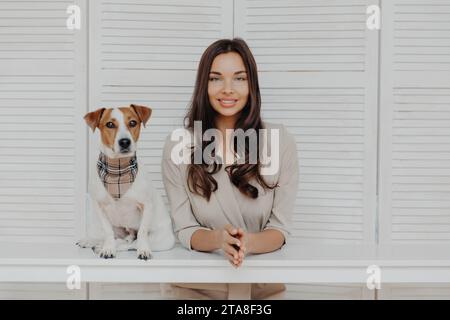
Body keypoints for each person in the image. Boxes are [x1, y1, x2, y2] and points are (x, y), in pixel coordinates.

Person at [161, 38, 299, 299]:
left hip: (262, 288)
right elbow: (185, 229)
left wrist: (246, 243)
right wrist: (218, 240)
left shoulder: (279, 141)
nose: (227, 89)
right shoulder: (180, 144)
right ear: (204, 84)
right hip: (195, 289)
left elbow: (280, 229)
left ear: (252, 85)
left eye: (239, 78)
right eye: (215, 78)